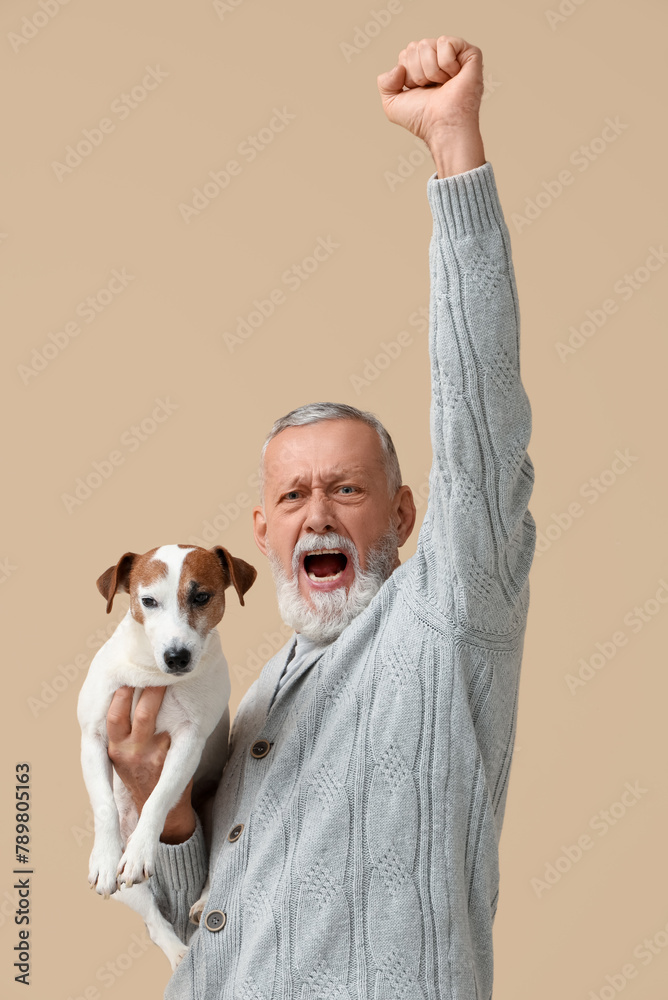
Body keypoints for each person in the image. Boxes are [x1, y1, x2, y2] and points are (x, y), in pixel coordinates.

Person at [106, 34, 536, 999]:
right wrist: (162, 812)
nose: (318, 516)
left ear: (408, 512)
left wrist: (453, 151)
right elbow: (196, 927)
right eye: (293, 496)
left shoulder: (449, 617)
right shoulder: (253, 701)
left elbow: (481, 422)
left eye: (347, 489)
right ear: (259, 534)